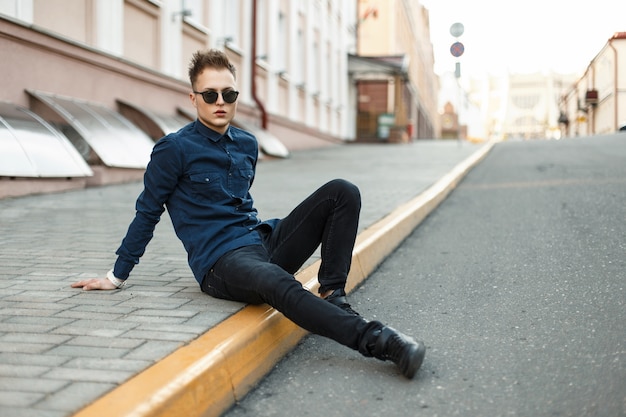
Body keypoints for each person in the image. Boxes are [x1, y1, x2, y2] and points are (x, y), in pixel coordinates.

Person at [71, 49, 426, 379]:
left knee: (342, 192)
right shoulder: (173, 149)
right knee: (276, 282)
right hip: (220, 263)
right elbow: (147, 212)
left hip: (261, 240)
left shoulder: (247, 144)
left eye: (229, 94)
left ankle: (334, 297)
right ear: (193, 98)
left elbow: (241, 204)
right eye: (210, 95)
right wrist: (117, 275)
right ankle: (380, 341)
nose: (220, 102)